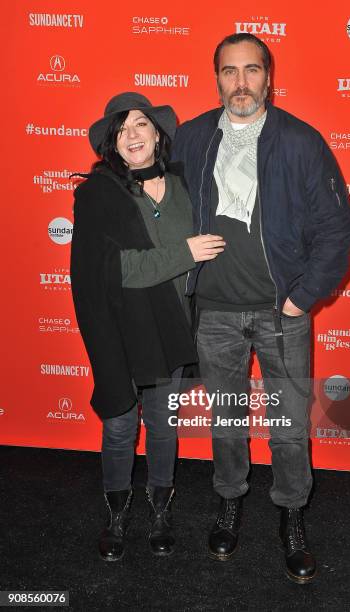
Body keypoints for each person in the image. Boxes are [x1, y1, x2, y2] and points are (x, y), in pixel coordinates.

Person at [171, 34, 350, 583]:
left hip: (282, 313)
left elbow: (337, 230)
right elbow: (160, 207)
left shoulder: (301, 141)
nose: (242, 83)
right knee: (226, 419)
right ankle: (229, 501)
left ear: (268, 78)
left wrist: (302, 298)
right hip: (216, 312)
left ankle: (292, 514)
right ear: (217, 78)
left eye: (252, 70)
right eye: (230, 72)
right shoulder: (191, 137)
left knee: (289, 427)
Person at [70, 92, 224, 562]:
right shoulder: (99, 194)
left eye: (140, 124)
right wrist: (185, 253)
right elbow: (116, 271)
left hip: (171, 329)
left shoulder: (186, 185)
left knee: (162, 424)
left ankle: (160, 510)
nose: (132, 135)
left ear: (157, 133)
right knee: (120, 426)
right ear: (113, 143)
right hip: (120, 331)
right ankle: (117, 515)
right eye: (121, 129)